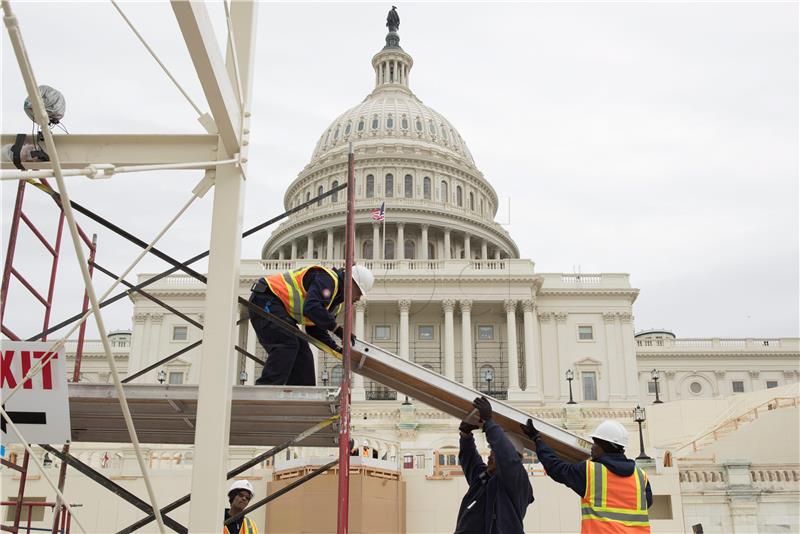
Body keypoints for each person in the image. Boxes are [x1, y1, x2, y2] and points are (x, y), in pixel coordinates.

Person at [249, 264, 374, 386]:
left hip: (279, 310)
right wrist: (338, 330)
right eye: (359, 292)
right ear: (350, 282)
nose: (358, 298)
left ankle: (301, 397)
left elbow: (315, 330)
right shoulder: (327, 279)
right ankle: (265, 389)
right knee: (287, 343)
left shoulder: (335, 303)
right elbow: (312, 307)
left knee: (304, 355)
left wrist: (337, 349)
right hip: (265, 298)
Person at [521, 418, 653, 533]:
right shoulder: (641, 476)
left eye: (595, 443)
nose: (592, 447)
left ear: (605, 446)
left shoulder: (591, 471)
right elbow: (647, 503)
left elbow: (556, 467)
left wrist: (537, 439)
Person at [454, 397, 534, 534]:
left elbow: (508, 458)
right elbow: (471, 460)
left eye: (495, 452)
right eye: (491, 450)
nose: (490, 455)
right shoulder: (483, 479)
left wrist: (489, 423)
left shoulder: (516, 480)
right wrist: (465, 435)